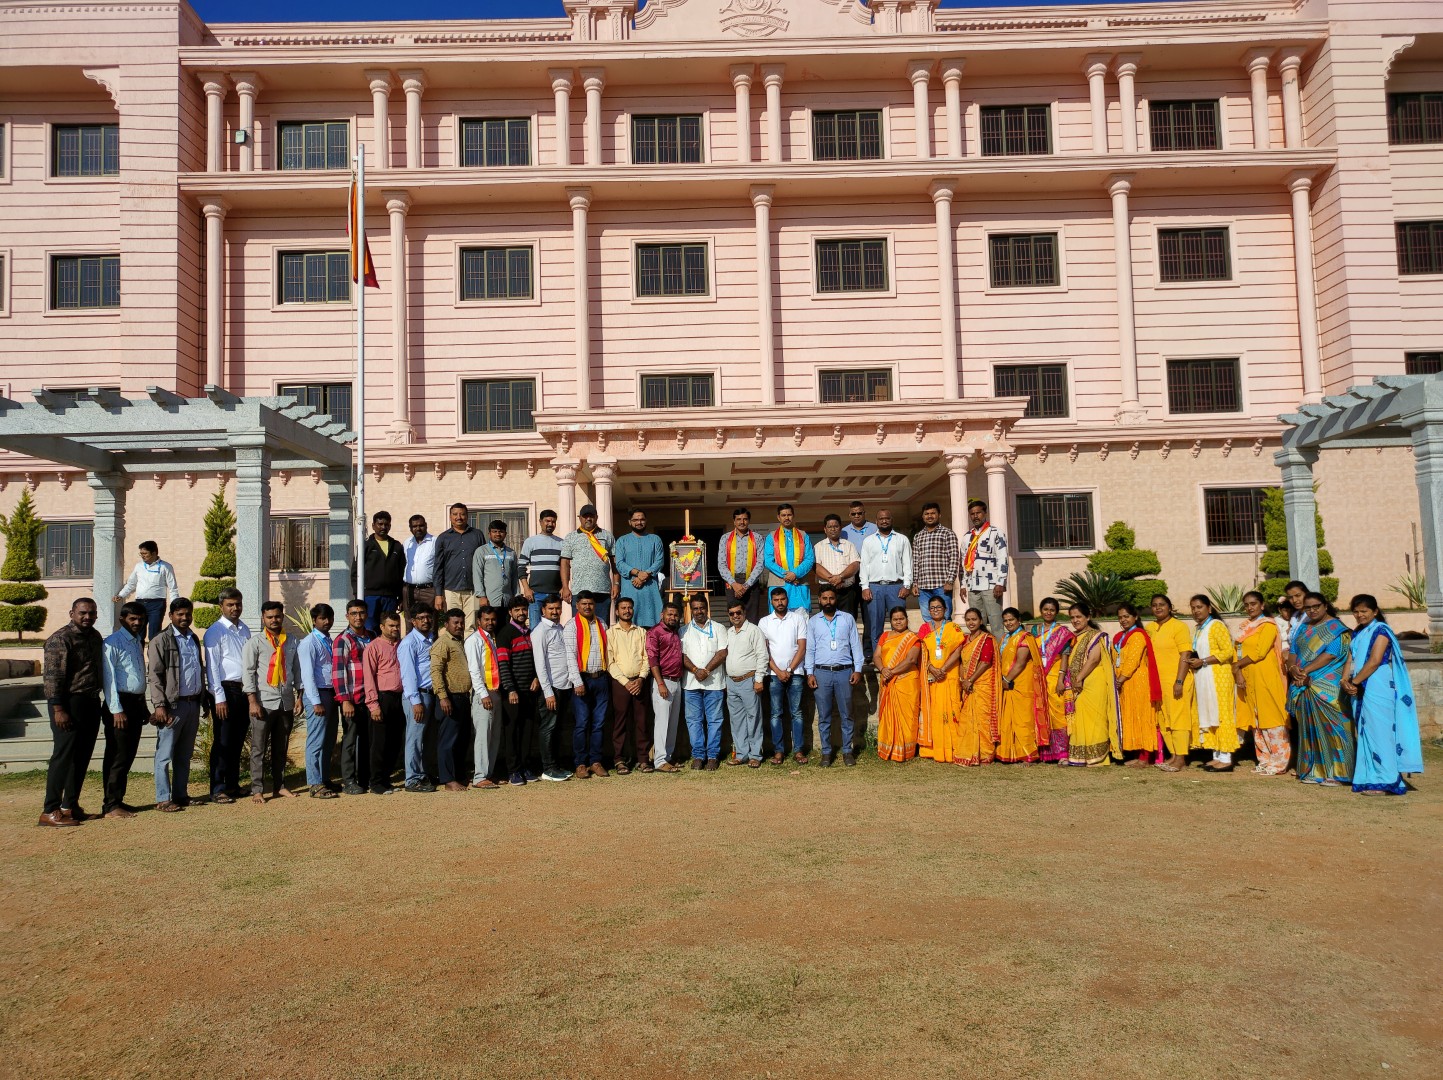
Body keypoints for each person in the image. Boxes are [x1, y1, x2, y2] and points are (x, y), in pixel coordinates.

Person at [1342, 594, 1424, 796]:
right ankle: (1370, 778)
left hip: (1377, 686)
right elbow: (1350, 657)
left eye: (1364, 611)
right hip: (1359, 685)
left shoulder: (1381, 631)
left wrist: (1355, 682)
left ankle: (1387, 780)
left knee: (1381, 734)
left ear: (1375, 611)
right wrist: (1344, 680)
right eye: (1356, 611)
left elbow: (1375, 660)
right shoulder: (1357, 633)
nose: (1360, 615)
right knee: (1366, 733)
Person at [37, 598, 104, 827]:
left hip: (90, 701)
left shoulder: (94, 636)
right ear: (72, 613)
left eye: (92, 613)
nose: (88, 617)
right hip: (67, 703)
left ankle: (70, 806)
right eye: (83, 613)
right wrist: (58, 708)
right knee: (63, 756)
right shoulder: (60, 639)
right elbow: (52, 677)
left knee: (82, 756)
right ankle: (50, 810)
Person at [1289, 592, 1354, 786]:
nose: (1312, 610)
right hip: (1303, 682)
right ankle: (1314, 769)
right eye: (1307, 608)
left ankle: (1341, 772)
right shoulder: (1303, 628)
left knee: (1334, 728)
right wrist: (1293, 669)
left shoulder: (1338, 629)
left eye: (1316, 606)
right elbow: (1293, 652)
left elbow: (1331, 655)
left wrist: (1304, 670)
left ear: (1326, 605)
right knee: (1310, 728)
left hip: (1328, 685)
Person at [148, 597, 205, 813]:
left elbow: (198, 670)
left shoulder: (192, 638)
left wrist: (203, 700)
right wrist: (160, 706)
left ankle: (180, 795)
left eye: (187, 614)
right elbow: (154, 676)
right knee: (164, 755)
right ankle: (163, 798)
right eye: (179, 614)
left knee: (184, 755)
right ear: (170, 615)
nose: (184, 618)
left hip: (192, 705)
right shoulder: (160, 640)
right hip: (172, 706)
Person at [240, 600, 300, 803]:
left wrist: (299, 697)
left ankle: (279, 786)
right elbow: (248, 673)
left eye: (277, 616)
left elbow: (296, 670)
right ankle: (257, 788)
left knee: (280, 747)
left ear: (282, 616)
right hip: (263, 702)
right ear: (263, 618)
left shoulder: (292, 641)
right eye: (270, 617)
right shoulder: (255, 643)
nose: (274, 620)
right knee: (258, 748)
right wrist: (252, 701)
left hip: (286, 702)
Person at [804, 585, 863, 766]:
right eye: (824, 598)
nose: (828, 602)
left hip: (844, 672)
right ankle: (826, 752)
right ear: (819, 600)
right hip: (821, 673)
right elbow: (810, 649)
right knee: (824, 716)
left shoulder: (847, 619)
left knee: (847, 714)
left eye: (831, 598)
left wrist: (858, 669)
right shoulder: (813, 622)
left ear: (835, 599)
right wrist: (809, 673)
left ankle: (847, 751)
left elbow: (855, 645)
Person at [99, 601, 148, 818]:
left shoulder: (138, 641)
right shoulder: (112, 643)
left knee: (128, 755)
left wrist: (144, 705)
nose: (137, 623)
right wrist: (116, 710)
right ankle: (110, 804)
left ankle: (118, 798)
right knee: (117, 755)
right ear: (122, 620)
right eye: (132, 619)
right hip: (120, 705)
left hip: (136, 703)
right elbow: (109, 679)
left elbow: (137, 675)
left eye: (140, 619)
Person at [1234, 590, 1290, 776]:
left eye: (1254, 604)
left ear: (1262, 605)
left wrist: (1236, 666)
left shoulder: (1267, 625)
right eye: (1247, 605)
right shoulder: (1246, 627)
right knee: (1256, 720)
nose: (1250, 608)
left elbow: (1259, 652)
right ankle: (1265, 760)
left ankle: (1279, 763)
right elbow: (1239, 651)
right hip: (1250, 679)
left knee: (1272, 718)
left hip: (1266, 678)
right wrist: (1239, 671)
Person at [204, 587, 251, 804]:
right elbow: (212, 667)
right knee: (223, 741)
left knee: (238, 739)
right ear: (221, 606)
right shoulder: (215, 632)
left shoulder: (244, 629)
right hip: (225, 690)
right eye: (230, 605)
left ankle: (232, 784)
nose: (235, 608)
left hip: (242, 690)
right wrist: (219, 697)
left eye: (237, 604)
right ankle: (217, 787)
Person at [1060, 601, 1120, 767]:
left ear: (1088, 617)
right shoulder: (1072, 637)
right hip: (1078, 685)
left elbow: (1094, 659)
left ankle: (1098, 758)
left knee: (1095, 720)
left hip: (1094, 682)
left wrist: (1079, 678)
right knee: (1079, 719)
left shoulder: (1098, 636)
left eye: (1079, 616)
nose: (1075, 620)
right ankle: (1080, 756)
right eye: (1072, 617)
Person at [1186, 594, 1239, 773]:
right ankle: (1216, 756)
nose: (1196, 611)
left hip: (1218, 677)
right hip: (1204, 676)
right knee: (1209, 714)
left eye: (1199, 607)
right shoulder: (1200, 628)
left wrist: (1204, 661)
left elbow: (1227, 652)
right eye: (1193, 607)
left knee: (1221, 714)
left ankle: (1226, 757)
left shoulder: (1216, 626)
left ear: (1209, 608)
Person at [563, 590, 611, 779]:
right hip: (582, 680)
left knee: (599, 723)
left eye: (590, 604)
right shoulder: (571, 626)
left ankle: (596, 762)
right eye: (583, 604)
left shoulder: (602, 623)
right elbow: (570, 655)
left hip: (601, 678)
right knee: (582, 724)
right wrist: (577, 681)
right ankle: (580, 763)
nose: (587, 607)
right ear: (577, 605)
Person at [757, 587, 808, 764]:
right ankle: (778, 751)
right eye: (776, 600)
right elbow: (763, 651)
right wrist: (779, 672)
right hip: (773, 674)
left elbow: (802, 648)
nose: (780, 602)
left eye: (783, 599)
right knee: (775, 714)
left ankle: (799, 751)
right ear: (771, 601)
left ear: (787, 600)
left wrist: (790, 670)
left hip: (796, 674)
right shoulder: (764, 622)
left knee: (797, 713)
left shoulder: (798, 619)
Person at [1146, 595, 1195, 773]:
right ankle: (1173, 755)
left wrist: (1179, 681)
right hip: (1158, 682)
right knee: (1163, 719)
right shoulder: (1150, 627)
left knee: (1178, 718)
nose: (1158, 608)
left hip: (1176, 680)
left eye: (1162, 605)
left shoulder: (1179, 627)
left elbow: (1185, 655)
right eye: (1154, 605)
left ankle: (1181, 757)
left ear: (1170, 606)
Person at [332, 599, 374, 796]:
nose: (358, 617)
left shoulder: (371, 637)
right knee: (350, 741)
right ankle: (349, 780)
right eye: (354, 613)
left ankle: (364, 779)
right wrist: (345, 700)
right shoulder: (343, 640)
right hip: (352, 698)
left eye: (362, 613)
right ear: (347, 616)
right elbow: (338, 671)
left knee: (367, 740)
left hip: (370, 698)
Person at [497, 596, 541, 786]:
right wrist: (510, 689)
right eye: (517, 610)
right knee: (512, 731)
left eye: (524, 609)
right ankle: (513, 770)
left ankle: (525, 766)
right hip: (513, 693)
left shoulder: (530, 633)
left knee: (527, 730)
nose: (521, 613)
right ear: (510, 613)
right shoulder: (505, 634)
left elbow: (536, 661)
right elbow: (503, 665)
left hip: (529, 690)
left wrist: (537, 678)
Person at [606, 596, 652, 774]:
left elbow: (647, 658)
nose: (627, 611)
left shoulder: (641, 632)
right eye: (623, 608)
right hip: (620, 683)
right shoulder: (611, 633)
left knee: (641, 722)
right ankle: (619, 759)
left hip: (640, 681)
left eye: (629, 608)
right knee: (620, 722)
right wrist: (626, 683)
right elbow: (610, 661)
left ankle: (643, 759)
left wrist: (640, 679)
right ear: (617, 611)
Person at [1113, 602, 1163, 766]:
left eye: (1126, 616)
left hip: (1137, 681)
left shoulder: (1138, 635)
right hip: (1125, 683)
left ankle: (1145, 757)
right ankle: (1135, 753)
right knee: (1130, 717)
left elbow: (1132, 662)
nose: (1123, 620)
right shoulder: (1120, 637)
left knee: (1142, 717)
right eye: (1120, 617)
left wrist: (1119, 680)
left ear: (1135, 617)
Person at [681, 593, 728, 770]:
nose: (699, 611)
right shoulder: (683, 630)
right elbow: (682, 656)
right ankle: (698, 756)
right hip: (691, 685)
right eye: (695, 608)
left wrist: (706, 670)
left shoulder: (718, 628)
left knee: (715, 720)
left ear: (707, 608)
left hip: (714, 683)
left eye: (701, 607)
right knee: (693, 721)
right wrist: (695, 670)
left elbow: (722, 652)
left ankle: (713, 757)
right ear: (691, 610)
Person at [918, 594, 966, 765]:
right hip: (932, 677)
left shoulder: (953, 628)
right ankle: (935, 749)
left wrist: (943, 669)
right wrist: (932, 669)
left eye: (939, 607)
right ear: (928, 610)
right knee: (935, 712)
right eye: (932, 608)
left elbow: (959, 649)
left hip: (949, 675)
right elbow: (922, 653)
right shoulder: (924, 629)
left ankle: (954, 748)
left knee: (952, 710)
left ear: (945, 610)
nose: (936, 610)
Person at [532, 594, 575, 782]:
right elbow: (540, 665)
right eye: (551, 609)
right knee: (548, 728)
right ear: (543, 610)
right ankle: (548, 768)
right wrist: (548, 693)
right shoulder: (540, 631)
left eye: (557, 608)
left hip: (564, 685)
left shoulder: (560, 628)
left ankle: (555, 765)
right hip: (551, 689)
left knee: (557, 728)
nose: (555, 612)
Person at [298, 603, 338, 798]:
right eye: (322, 618)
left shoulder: (330, 640)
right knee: (316, 740)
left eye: (329, 617)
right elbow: (307, 675)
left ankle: (324, 778)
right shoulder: (309, 642)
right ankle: (314, 783)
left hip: (330, 693)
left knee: (328, 739)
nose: (327, 621)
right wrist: (315, 701)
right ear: (314, 621)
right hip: (318, 694)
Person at [431, 607, 473, 792]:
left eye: (461, 622)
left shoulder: (459, 642)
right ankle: (448, 779)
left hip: (463, 697)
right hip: (450, 697)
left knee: (461, 739)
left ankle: (459, 775)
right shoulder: (443, 643)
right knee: (448, 740)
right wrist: (442, 696)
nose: (459, 626)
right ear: (446, 624)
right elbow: (436, 671)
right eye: (455, 622)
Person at [859, 508, 912, 657]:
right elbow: (864, 565)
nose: (884, 521)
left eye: (887, 518)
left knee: (900, 622)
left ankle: (901, 653)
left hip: (896, 587)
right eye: (881, 519)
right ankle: (879, 657)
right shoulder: (869, 541)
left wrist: (907, 585)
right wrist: (865, 587)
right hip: (875, 587)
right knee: (875, 625)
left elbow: (908, 563)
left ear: (891, 520)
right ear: (876, 521)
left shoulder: (901, 539)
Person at [362, 610, 405, 794]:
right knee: (379, 743)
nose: (395, 629)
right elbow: (369, 677)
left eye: (397, 625)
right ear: (382, 627)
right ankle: (376, 782)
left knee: (394, 741)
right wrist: (373, 705)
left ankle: (386, 778)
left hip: (400, 698)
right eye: (391, 626)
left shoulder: (402, 645)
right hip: (382, 697)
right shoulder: (373, 647)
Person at [722, 598, 768, 767]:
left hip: (749, 680)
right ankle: (741, 754)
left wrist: (759, 679)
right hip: (732, 682)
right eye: (732, 613)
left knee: (754, 718)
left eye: (738, 612)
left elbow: (762, 655)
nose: (735, 616)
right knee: (736, 720)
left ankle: (755, 754)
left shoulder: (753, 630)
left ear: (744, 613)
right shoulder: (729, 633)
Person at [464, 605, 506, 789]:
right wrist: (483, 694)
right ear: (479, 621)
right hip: (484, 693)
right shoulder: (474, 640)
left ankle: (489, 773)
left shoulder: (494, 639)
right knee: (482, 735)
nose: (490, 623)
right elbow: (474, 670)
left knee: (494, 735)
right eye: (486, 620)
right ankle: (479, 776)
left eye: (493, 619)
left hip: (496, 691)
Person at [398, 605, 439, 793]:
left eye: (428, 617)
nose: (426, 621)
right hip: (417, 695)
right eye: (421, 618)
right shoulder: (409, 643)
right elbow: (407, 675)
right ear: (413, 621)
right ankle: (411, 779)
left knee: (426, 739)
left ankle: (423, 775)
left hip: (431, 694)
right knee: (414, 739)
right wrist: (415, 702)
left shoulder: (431, 640)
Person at [996, 607, 1044, 764]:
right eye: (1006, 620)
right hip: (1007, 683)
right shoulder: (1005, 638)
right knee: (1009, 719)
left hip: (1020, 683)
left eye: (1011, 620)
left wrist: (1007, 680)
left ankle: (1027, 753)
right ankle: (1011, 752)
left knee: (1023, 719)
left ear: (1019, 620)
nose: (1008, 623)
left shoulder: (1024, 637)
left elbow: (1020, 663)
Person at [953, 607, 999, 766]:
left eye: (974, 619)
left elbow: (985, 662)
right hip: (968, 684)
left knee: (982, 720)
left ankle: (985, 754)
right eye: (968, 620)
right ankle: (967, 752)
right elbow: (960, 661)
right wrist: (963, 680)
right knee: (967, 720)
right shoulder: (966, 640)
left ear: (981, 621)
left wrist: (970, 680)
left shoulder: (987, 639)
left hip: (982, 684)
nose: (971, 622)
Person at [875, 606, 921, 762]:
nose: (899, 621)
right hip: (888, 680)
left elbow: (911, 660)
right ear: (891, 621)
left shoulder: (913, 638)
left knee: (907, 717)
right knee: (888, 715)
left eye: (901, 618)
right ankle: (888, 747)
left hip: (907, 681)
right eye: (895, 619)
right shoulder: (885, 636)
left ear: (907, 620)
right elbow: (877, 656)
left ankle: (906, 750)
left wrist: (891, 672)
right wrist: (882, 669)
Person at [1031, 597, 1074, 764]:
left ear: (1056, 612)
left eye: (1052, 610)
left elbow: (1065, 655)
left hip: (1056, 674)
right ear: (1041, 611)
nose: (1048, 612)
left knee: (1057, 713)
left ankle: (1062, 752)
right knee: (1041, 712)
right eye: (1045, 609)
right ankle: (1045, 752)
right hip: (1038, 676)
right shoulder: (1034, 630)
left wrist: (1061, 678)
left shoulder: (1062, 632)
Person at [646, 600, 686, 772]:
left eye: (676, 615)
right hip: (663, 682)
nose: (672, 617)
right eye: (669, 614)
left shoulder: (677, 632)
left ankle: (668, 756)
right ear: (662, 614)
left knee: (672, 723)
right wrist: (660, 683)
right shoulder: (655, 632)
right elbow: (652, 660)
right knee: (662, 723)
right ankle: (660, 760)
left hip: (677, 681)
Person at [561, 505, 619, 623]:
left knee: (602, 627)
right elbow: (565, 563)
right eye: (585, 516)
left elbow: (615, 562)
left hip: (602, 591)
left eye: (591, 516)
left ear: (596, 517)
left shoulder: (607, 535)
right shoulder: (571, 537)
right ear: (580, 518)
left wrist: (616, 584)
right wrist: (565, 587)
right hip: (579, 591)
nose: (588, 519)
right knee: (581, 628)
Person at [112, 540, 179, 640]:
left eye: (145, 554)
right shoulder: (139, 566)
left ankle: (153, 655)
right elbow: (131, 584)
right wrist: (121, 595)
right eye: (141, 554)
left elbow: (173, 588)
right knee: (138, 633)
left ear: (154, 553)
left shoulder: (166, 567)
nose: (143, 556)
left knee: (154, 633)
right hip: (140, 603)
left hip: (157, 604)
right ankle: (138, 654)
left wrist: (175, 606)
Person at [961, 499, 1008, 638]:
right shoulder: (967, 537)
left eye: (978, 513)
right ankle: (980, 651)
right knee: (976, 624)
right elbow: (964, 562)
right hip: (973, 586)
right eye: (972, 514)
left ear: (985, 513)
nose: (975, 516)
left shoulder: (996, 533)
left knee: (996, 622)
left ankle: (999, 655)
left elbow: (1002, 558)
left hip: (991, 585)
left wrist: (1000, 582)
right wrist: (964, 584)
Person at [433, 503, 484, 623]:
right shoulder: (443, 538)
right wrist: (438, 594)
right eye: (455, 514)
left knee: (470, 626)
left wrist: (483, 593)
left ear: (467, 516)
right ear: (450, 517)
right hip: (451, 591)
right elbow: (438, 567)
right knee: (454, 625)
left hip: (473, 590)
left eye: (462, 514)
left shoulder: (477, 535)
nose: (459, 517)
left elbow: (484, 563)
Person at [614, 509, 665, 628]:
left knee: (653, 624)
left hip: (650, 587)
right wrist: (637, 573)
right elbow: (620, 563)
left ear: (646, 521)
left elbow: (659, 560)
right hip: (630, 587)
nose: (639, 522)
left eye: (642, 519)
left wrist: (645, 575)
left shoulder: (655, 539)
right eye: (635, 520)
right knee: (629, 621)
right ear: (629, 522)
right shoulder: (622, 541)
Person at [718, 507, 767, 624]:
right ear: (734, 521)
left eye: (745, 519)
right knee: (735, 617)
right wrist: (734, 584)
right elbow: (721, 563)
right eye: (739, 519)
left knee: (752, 618)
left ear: (749, 521)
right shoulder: (725, 538)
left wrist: (746, 585)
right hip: (732, 583)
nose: (742, 522)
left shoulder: (757, 538)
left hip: (751, 583)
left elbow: (760, 563)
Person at [763, 503, 815, 615]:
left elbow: (809, 559)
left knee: (801, 622)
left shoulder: (803, 535)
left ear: (793, 516)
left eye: (789, 514)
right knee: (778, 622)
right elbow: (768, 561)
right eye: (783, 515)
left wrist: (795, 573)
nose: (787, 518)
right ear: (778, 517)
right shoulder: (771, 537)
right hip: (778, 583)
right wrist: (786, 575)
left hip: (799, 584)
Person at [910, 501, 959, 620]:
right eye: (927, 514)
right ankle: (931, 639)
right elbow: (916, 561)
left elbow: (954, 557)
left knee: (944, 617)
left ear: (939, 515)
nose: (930, 516)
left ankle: (946, 639)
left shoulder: (948, 533)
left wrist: (950, 581)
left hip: (942, 585)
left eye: (933, 513)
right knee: (927, 618)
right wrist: (915, 583)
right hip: (923, 586)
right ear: (923, 516)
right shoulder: (918, 536)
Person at [359, 510, 406, 633]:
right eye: (380, 524)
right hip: (370, 596)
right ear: (373, 525)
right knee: (370, 629)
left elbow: (402, 572)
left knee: (390, 628)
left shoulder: (397, 546)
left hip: (390, 597)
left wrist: (400, 597)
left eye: (386, 524)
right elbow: (356, 572)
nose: (383, 527)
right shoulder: (366, 546)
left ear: (390, 526)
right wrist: (358, 595)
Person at [520, 509, 564, 631]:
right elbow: (521, 567)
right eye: (547, 521)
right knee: (535, 629)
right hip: (535, 594)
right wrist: (526, 588)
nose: (550, 524)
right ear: (540, 522)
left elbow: (565, 568)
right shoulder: (531, 541)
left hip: (555, 593)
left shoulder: (561, 543)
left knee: (554, 628)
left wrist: (564, 587)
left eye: (553, 521)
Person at [814, 513, 862, 626]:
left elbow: (855, 564)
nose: (833, 529)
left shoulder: (849, 545)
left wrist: (840, 577)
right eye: (830, 527)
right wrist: (833, 580)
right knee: (826, 623)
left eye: (835, 526)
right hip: (826, 593)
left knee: (848, 623)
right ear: (825, 529)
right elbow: (816, 567)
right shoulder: (818, 546)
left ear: (840, 528)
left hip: (847, 592)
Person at [471, 518, 520, 613]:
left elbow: (514, 576)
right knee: (490, 626)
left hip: (507, 600)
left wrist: (516, 596)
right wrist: (481, 596)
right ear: (489, 534)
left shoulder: (511, 553)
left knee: (505, 627)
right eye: (495, 531)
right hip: (489, 600)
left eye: (501, 532)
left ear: (505, 534)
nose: (498, 534)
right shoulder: (481, 551)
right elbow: (477, 575)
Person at [402, 514, 437, 616]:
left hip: (429, 590)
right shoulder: (407, 543)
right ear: (410, 528)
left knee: (429, 622)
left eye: (421, 525)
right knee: (410, 621)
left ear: (426, 525)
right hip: (409, 590)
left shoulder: (435, 542)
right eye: (414, 526)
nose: (418, 529)